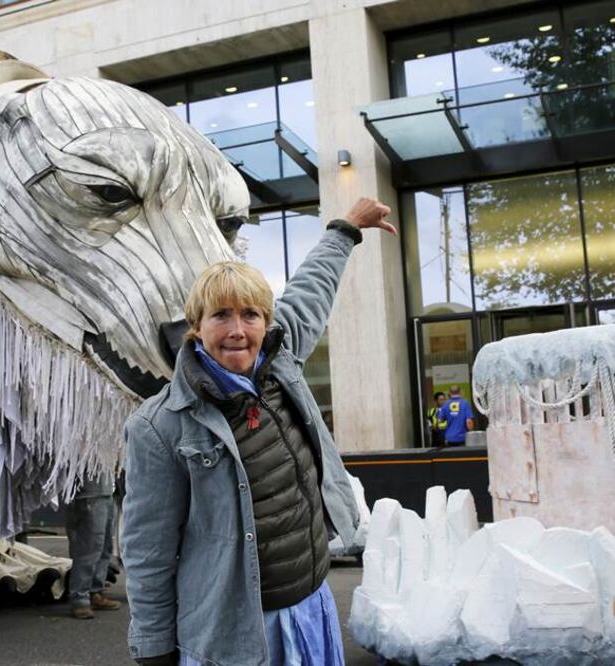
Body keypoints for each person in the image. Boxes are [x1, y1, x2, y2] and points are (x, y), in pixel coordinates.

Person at [121, 198, 396, 666]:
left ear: (266, 324)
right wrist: (154, 650)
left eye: (250, 315)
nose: (236, 330)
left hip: (311, 603)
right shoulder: (158, 425)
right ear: (196, 326)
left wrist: (346, 229)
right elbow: (148, 552)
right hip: (238, 634)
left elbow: (311, 290)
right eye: (220, 316)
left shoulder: (281, 363)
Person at [64, 472, 122, 619]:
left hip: (105, 491)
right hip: (89, 493)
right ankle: (79, 598)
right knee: (89, 547)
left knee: (104, 547)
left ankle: (95, 592)